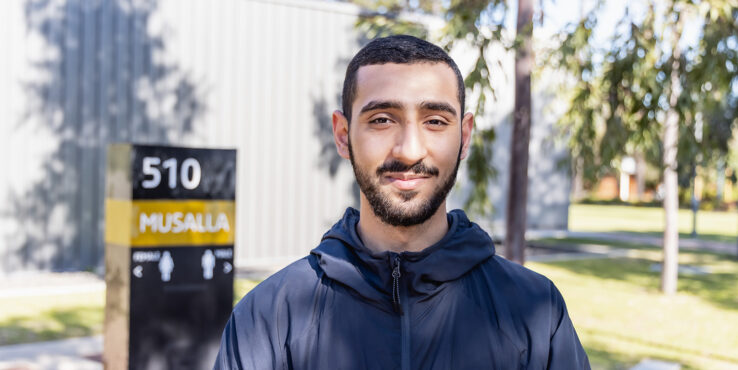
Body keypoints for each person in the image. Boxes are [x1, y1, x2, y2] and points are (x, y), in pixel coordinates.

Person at [213, 35, 590, 369]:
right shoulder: (268, 317)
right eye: (381, 119)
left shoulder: (536, 311)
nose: (410, 150)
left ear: (465, 135)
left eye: (436, 121)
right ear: (343, 135)